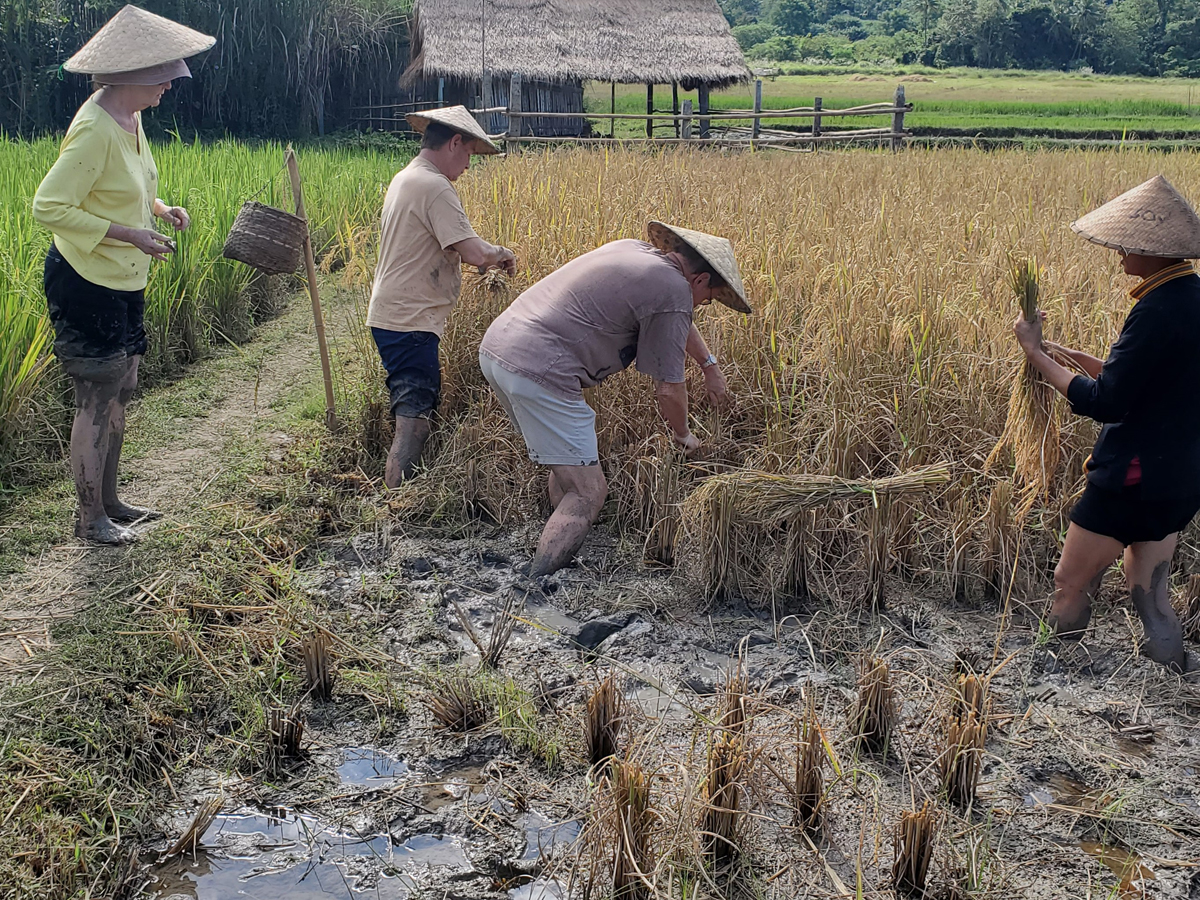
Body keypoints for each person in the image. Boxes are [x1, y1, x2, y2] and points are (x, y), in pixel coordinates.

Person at [32, 5, 214, 545]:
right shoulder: (93, 129)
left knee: (124, 386)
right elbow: (49, 206)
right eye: (162, 79)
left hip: (126, 280)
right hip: (87, 281)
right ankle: (89, 519)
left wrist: (158, 210)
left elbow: (125, 186)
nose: (167, 88)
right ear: (132, 77)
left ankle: (110, 500)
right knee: (97, 394)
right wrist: (128, 234)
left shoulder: (131, 120)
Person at [479, 222, 750, 577]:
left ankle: (558, 550)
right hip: (541, 370)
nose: (702, 305)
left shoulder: (636, 252)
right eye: (709, 298)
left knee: (568, 462)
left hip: (498, 351)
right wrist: (683, 436)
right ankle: (535, 583)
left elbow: (675, 317)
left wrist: (708, 365)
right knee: (588, 492)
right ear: (699, 281)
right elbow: (668, 388)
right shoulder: (673, 289)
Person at [1013, 175, 1200, 673]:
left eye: (1127, 246)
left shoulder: (1155, 310)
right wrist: (1083, 360)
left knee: (1070, 583)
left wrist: (1036, 356)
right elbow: (1161, 385)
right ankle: (1172, 673)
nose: (1119, 254)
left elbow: (1107, 403)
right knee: (1154, 597)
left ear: (1153, 250)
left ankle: (1049, 676)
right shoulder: (1192, 298)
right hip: (1180, 480)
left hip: (1129, 480)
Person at [367, 105, 517, 487]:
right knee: (414, 419)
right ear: (454, 143)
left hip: (396, 316)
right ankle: (395, 507)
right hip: (409, 321)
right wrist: (502, 254)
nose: (468, 164)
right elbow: (475, 253)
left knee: (412, 407)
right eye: (469, 153)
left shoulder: (407, 176)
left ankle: (397, 497)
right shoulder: (435, 186)